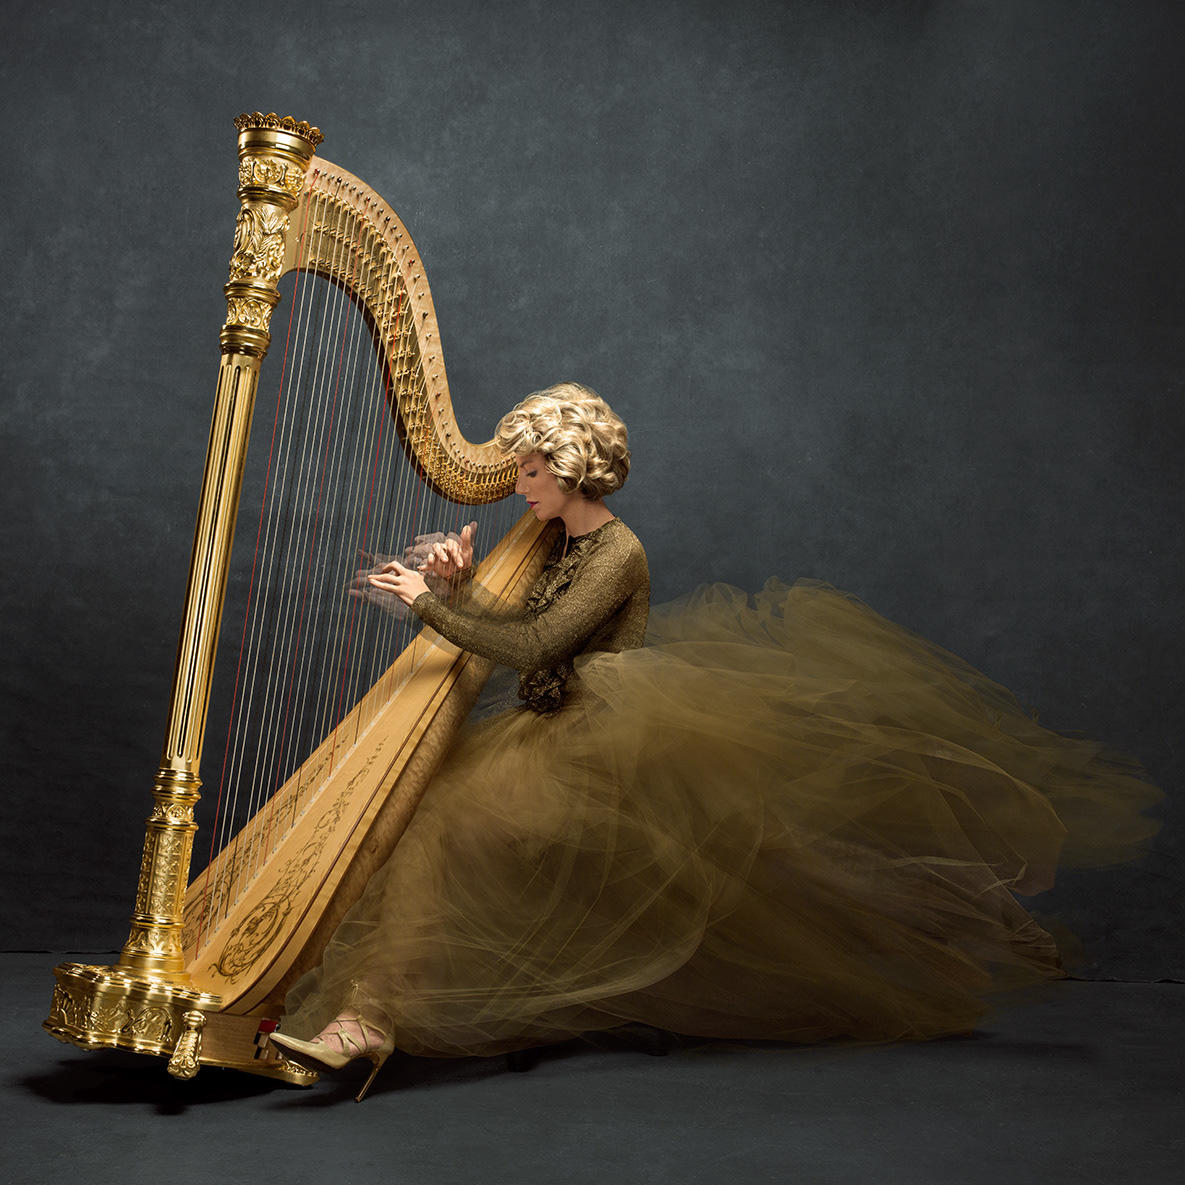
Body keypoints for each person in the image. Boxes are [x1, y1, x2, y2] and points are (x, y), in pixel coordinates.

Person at [271, 382, 1159, 1100]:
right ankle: (370, 1016)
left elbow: (538, 646)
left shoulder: (616, 553)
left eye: (529, 469)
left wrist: (427, 608)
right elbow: (520, 630)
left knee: (792, 871)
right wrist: (460, 589)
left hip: (611, 739)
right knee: (459, 822)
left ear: (571, 467)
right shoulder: (552, 540)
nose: (516, 485)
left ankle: (970, 906)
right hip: (554, 732)